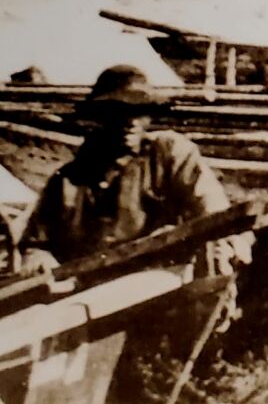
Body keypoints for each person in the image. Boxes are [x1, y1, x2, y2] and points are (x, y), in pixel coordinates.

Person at [19, 65, 236, 272]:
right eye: (119, 112)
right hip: (92, 289)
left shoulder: (169, 154)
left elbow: (213, 209)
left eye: (139, 112)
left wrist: (223, 244)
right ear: (100, 117)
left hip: (165, 275)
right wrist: (39, 259)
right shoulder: (69, 179)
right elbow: (37, 243)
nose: (131, 122)